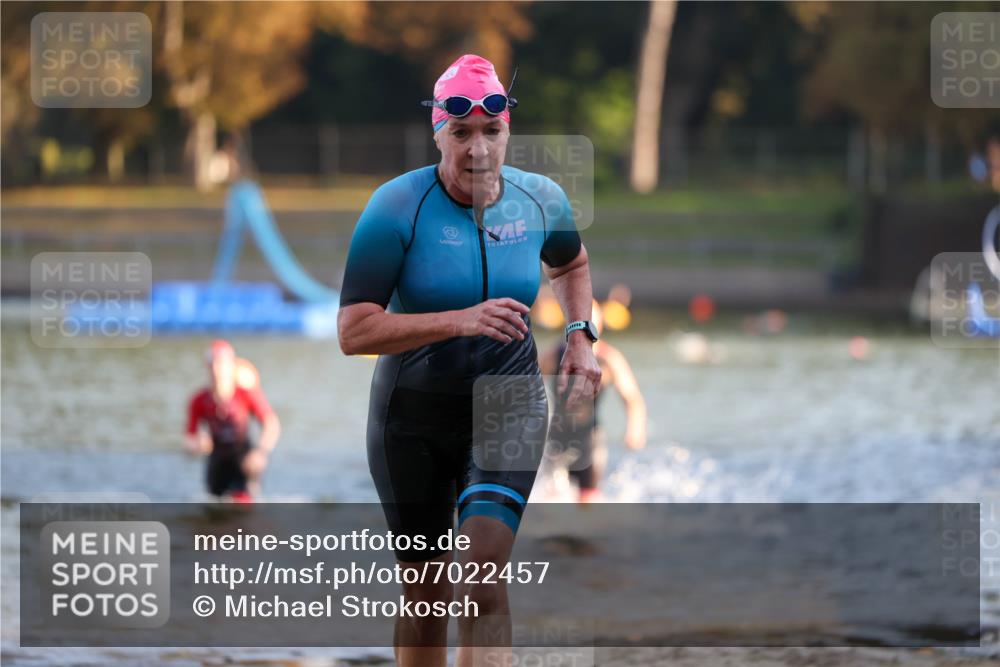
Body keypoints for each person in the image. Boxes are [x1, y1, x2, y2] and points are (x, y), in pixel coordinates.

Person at [337, 54, 602, 667]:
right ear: (438, 132)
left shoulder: (542, 201)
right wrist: (461, 319)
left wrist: (583, 333)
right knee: (426, 591)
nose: (477, 150)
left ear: (508, 132)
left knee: (484, 577)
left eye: (492, 132)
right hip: (412, 414)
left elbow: (571, 265)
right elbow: (353, 332)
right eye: (461, 134)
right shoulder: (395, 207)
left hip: (508, 404)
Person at [540, 300, 647, 503]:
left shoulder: (609, 359)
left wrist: (635, 430)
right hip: (558, 435)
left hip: (589, 438)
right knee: (551, 496)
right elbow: (525, 388)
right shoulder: (553, 356)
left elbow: (632, 398)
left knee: (588, 500)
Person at [185, 340, 281, 502]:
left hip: (243, 459)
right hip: (217, 460)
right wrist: (198, 445)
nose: (218, 370)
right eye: (213, 364)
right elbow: (188, 439)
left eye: (222, 364)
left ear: (232, 366)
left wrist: (260, 453)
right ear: (208, 368)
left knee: (242, 510)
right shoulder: (199, 400)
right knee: (214, 511)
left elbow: (271, 424)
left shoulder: (246, 394)